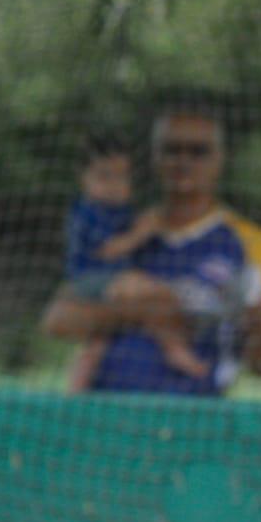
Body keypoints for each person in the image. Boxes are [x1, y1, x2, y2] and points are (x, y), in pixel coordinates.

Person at [41, 109, 261, 395]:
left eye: (198, 151)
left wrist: (255, 315)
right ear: (154, 158)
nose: (183, 162)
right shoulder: (127, 231)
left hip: (193, 415)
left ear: (220, 160)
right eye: (172, 150)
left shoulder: (250, 244)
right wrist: (148, 311)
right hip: (108, 412)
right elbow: (57, 320)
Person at [62, 134, 209, 392]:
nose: (114, 185)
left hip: (108, 280)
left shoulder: (118, 210)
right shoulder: (88, 212)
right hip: (93, 279)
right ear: (83, 178)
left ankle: (75, 390)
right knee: (159, 295)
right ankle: (174, 348)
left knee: (98, 341)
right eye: (104, 176)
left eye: (121, 177)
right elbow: (108, 251)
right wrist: (142, 231)